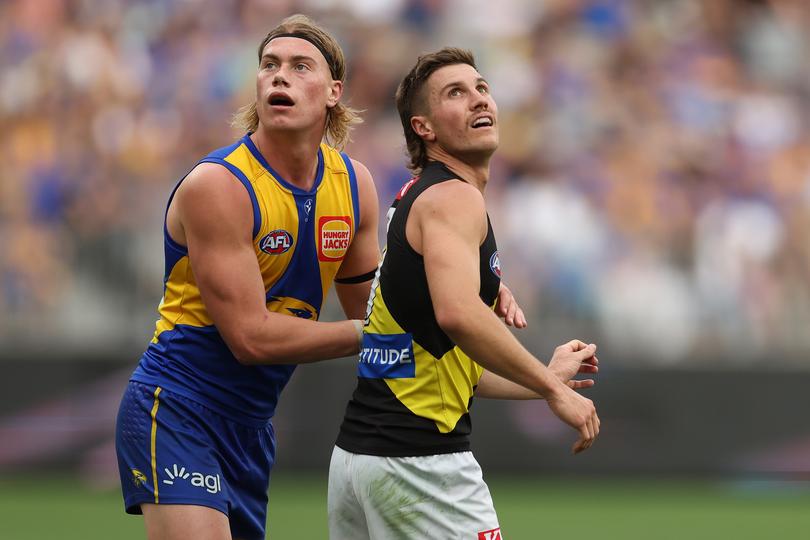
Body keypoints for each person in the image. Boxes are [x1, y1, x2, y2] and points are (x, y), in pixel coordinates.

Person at [114, 14, 382, 540]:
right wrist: (372, 334)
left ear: (333, 92)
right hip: (177, 406)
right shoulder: (220, 185)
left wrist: (462, 295)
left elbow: (380, 314)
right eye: (269, 65)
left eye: (299, 66)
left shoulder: (354, 186)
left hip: (252, 428)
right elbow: (251, 338)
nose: (278, 76)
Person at [327, 47, 601, 540]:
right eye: (456, 93)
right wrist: (554, 390)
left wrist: (542, 377)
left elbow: (437, 365)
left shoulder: (413, 198)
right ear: (424, 128)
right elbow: (458, 315)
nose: (479, 100)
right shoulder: (454, 198)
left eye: (482, 88)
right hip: (420, 466)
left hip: (358, 462)